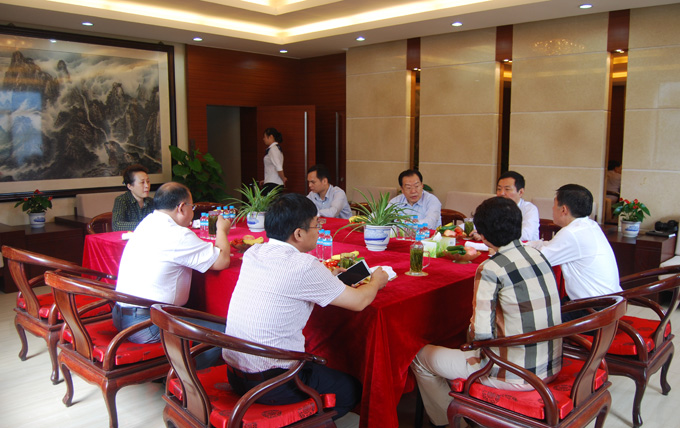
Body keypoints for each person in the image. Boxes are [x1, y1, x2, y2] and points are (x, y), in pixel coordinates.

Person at [223, 193, 389, 420]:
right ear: (298, 233)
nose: (319, 230)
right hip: (274, 384)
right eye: (316, 224)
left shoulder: (254, 252)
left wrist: (326, 278)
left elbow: (285, 283)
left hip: (236, 373)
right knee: (350, 389)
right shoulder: (304, 265)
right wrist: (377, 281)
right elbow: (359, 302)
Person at [411, 196, 562, 427]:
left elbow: (481, 336)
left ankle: (451, 422)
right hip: (551, 363)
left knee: (418, 357)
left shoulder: (492, 268)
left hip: (514, 374)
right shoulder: (538, 254)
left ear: (482, 234)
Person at [114, 182, 231, 355]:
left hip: (123, 315)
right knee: (225, 333)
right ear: (181, 207)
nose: (193, 211)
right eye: (192, 206)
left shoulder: (148, 222)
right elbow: (222, 260)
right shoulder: (177, 234)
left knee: (202, 319)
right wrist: (221, 230)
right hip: (147, 323)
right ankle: (187, 371)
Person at [527, 184, 621, 305]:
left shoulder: (571, 233)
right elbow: (551, 245)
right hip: (609, 302)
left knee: (536, 310)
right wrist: (527, 244)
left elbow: (537, 261)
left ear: (563, 209)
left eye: (554, 204)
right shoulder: (589, 225)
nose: (552, 209)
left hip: (592, 307)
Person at [496, 171, 540, 241]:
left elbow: (526, 235)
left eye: (507, 189)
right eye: (499, 189)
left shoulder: (529, 209)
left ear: (520, 192)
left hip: (524, 247)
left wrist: (493, 235)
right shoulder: (494, 207)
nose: (501, 193)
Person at [112, 164, 154, 231]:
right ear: (130, 186)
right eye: (142, 182)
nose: (147, 186)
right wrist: (145, 225)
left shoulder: (152, 202)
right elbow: (117, 225)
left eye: (148, 182)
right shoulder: (121, 200)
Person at [260, 127, 287, 195]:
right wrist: (266, 180)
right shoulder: (275, 149)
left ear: (271, 137)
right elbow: (273, 169)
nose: (263, 139)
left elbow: (279, 167)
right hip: (272, 182)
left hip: (273, 184)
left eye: (265, 137)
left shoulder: (273, 149)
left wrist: (283, 179)